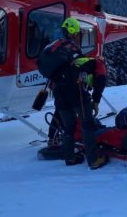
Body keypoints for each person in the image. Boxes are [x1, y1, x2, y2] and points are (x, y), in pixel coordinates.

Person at [37, 17, 109, 170]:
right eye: (78, 34)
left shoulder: (54, 47)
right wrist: (95, 100)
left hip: (58, 93)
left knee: (68, 126)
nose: (79, 37)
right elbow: (97, 71)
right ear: (73, 33)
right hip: (75, 92)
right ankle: (94, 160)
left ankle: (69, 158)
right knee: (88, 124)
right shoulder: (73, 50)